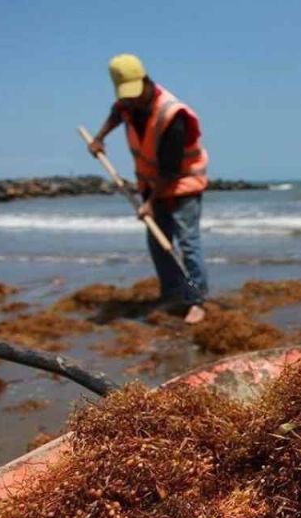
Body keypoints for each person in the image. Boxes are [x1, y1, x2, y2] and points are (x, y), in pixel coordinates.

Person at [87, 54, 209, 324]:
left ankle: (196, 301)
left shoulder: (172, 115)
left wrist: (150, 203)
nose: (130, 100)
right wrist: (99, 138)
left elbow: (170, 169)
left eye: (134, 94)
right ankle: (172, 294)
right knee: (158, 244)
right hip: (150, 185)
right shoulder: (128, 105)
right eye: (125, 96)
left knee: (187, 244)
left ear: (145, 80)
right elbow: (117, 112)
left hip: (182, 183)